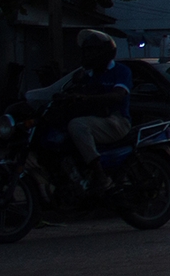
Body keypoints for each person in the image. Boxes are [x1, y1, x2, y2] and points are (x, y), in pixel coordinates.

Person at [55, 29, 135, 193]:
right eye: (87, 51)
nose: (89, 55)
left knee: (77, 126)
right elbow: (69, 89)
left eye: (93, 51)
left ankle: (101, 176)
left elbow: (118, 95)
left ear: (105, 53)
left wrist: (87, 98)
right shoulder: (85, 75)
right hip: (95, 120)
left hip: (116, 120)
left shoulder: (121, 71)